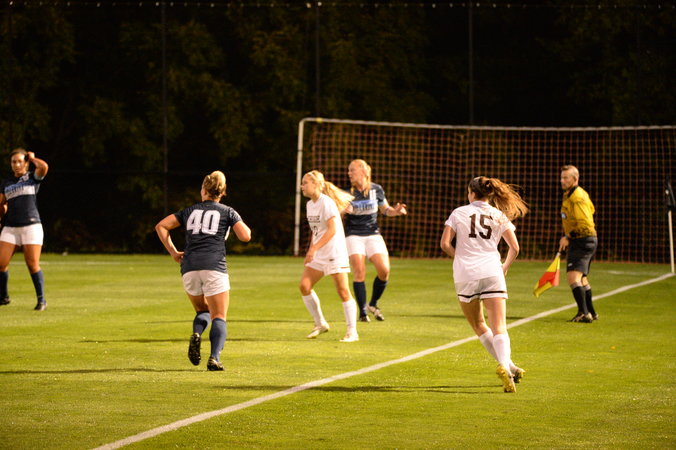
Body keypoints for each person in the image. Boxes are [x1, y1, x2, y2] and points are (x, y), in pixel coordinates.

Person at [155, 171, 251, 371]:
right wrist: (235, 218)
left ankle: (197, 333)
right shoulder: (227, 211)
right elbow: (245, 236)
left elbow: (161, 226)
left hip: (189, 267)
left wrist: (173, 252)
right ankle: (214, 358)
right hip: (214, 265)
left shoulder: (189, 211)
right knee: (219, 315)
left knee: (202, 310)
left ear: (204, 190)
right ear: (222, 192)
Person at [440, 176, 528, 393]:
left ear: (471, 193)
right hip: (491, 271)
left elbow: (444, 244)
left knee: (479, 324)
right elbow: (515, 248)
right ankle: (507, 366)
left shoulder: (458, 212)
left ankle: (507, 366)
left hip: (465, 274)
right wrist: (504, 267)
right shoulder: (498, 215)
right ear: (490, 194)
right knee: (499, 327)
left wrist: (460, 257)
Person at [300, 170, 359, 342]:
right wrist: (311, 251)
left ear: (316, 184)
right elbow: (317, 232)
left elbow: (332, 230)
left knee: (343, 291)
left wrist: (314, 249)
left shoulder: (326, 203)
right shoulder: (310, 204)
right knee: (304, 286)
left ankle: (352, 332)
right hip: (320, 254)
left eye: (305, 183)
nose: (302, 186)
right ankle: (320, 324)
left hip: (334, 252)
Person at [344, 159, 407, 322]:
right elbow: (337, 213)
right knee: (359, 272)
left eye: (352, 170)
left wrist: (396, 211)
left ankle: (373, 304)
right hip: (353, 235)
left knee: (384, 270)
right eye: (349, 170)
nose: (349, 173)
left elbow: (386, 210)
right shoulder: (346, 192)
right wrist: (343, 210)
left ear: (364, 171)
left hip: (373, 234)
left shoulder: (376, 189)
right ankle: (363, 312)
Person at [0, 149, 49, 311]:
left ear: (26, 163)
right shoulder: (7, 182)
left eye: (20, 161)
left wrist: (32, 158)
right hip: (11, 227)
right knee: (1, 263)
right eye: (14, 161)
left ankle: (41, 300)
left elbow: (44, 167)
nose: (17, 164)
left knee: (32, 264)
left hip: (31, 226)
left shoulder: (32, 178)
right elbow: (1, 203)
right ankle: (4, 297)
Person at [558, 165, 598, 323]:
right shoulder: (571, 194)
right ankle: (591, 312)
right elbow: (591, 210)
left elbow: (585, 223)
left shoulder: (577, 197)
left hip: (582, 239)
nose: (562, 181)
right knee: (582, 279)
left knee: (573, 277)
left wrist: (569, 236)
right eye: (561, 177)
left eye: (566, 178)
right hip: (585, 239)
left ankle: (583, 313)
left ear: (575, 179)